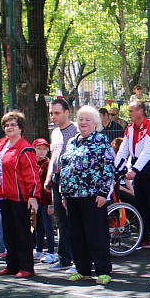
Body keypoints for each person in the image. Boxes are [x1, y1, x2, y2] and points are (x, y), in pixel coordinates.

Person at [56, 105, 117, 284]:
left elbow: (107, 166)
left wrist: (103, 192)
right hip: (72, 196)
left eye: (87, 119)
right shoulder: (72, 142)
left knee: (96, 234)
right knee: (77, 234)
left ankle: (103, 270)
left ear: (95, 123)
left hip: (92, 195)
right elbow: (65, 167)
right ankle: (83, 269)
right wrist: (63, 194)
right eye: (81, 119)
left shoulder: (100, 140)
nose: (83, 123)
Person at [0, 111, 40, 279]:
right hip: (3, 195)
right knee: (8, 232)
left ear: (20, 127)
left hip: (20, 197)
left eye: (13, 124)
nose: (9, 127)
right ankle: (12, 265)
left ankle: (26, 266)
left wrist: (33, 195)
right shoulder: (1, 144)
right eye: (6, 125)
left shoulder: (25, 148)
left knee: (22, 232)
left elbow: (31, 173)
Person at [116, 100, 150, 251]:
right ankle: (144, 238)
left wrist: (134, 170)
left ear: (140, 112)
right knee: (141, 205)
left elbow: (148, 152)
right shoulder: (130, 128)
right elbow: (123, 150)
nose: (129, 114)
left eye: (131, 111)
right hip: (137, 166)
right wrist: (114, 167)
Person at [44, 98, 78, 271]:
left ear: (66, 112)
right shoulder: (55, 133)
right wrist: (49, 177)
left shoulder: (76, 131)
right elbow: (53, 157)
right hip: (57, 179)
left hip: (72, 181)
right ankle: (64, 258)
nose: (53, 116)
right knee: (60, 220)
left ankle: (77, 260)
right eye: (51, 113)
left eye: (56, 113)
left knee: (73, 220)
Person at [31, 138, 56, 264]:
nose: (42, 152)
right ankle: (39, 249)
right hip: (37, 201)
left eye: (44, 149)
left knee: (47, 227)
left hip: (46, 200)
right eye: (39, 149)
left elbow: (50, 185)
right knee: (38, 226)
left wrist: (51, 203)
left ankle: (51, 252)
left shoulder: (47, 164)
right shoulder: (33, 163)